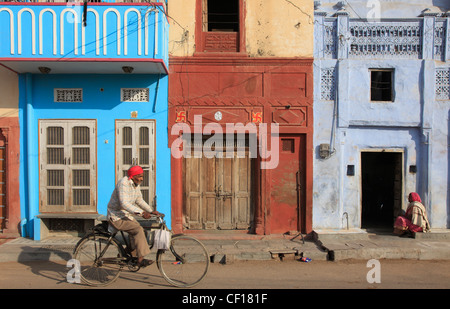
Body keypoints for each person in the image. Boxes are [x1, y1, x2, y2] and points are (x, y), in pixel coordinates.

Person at [107, 165, 160, 267]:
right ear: (133, 176)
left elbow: (139, 200)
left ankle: (126, 254)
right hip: (116, 216)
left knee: (142, 232)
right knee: (137, 229)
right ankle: (140, 259)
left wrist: (151, 211)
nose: (142, 178)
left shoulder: (136, 185)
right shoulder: (123, 183)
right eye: (140, 176)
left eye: (142, 176)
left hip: (125, 215)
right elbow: (124, 203)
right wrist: (141, 213)